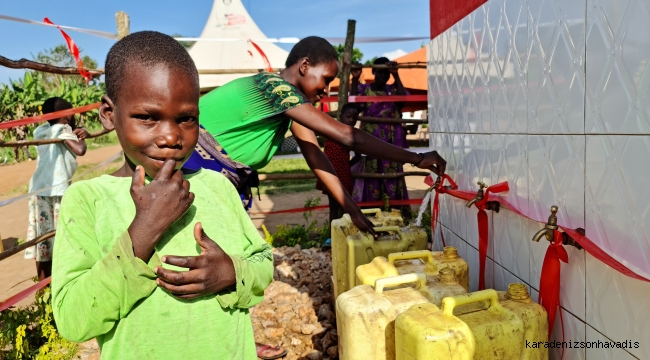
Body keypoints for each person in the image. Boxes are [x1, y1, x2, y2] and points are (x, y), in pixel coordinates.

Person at [51, 31, 274, 360]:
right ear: (109, 114)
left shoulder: (218, 187)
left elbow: (262, 262)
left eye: (186, 119)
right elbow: (73, 319)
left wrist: (232, 273)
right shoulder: (87, 200)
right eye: (147, 117)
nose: (171, 136)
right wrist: (144, 229)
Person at [186, 36, 446, 235]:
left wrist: (353, 210)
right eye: (327, 79)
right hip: (190, 168)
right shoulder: (275, 89)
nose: (326, 89)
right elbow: (346, 135)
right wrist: (416, 157)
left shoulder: (287, 104)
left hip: (204, 174)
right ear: (305, 65)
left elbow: (316, 157)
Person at [25, 97, 88, 280]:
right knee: (61, 235)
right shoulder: (63, 130)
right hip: (57, 190)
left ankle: (43, 284)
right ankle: (59, 280)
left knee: (43, 240)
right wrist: (81, 136)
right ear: (67, 117)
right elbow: (80, 150)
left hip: (40, 191)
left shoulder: (42, 130)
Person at [349, 57, 412, 217]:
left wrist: (396, 74)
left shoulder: (392, 91)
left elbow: (403, 101)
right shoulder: (364, 90)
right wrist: (355, 78)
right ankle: (371, 219)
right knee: (372, 183)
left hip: (391, 148)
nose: (383, 75)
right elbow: (354, 105)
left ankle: (396, 219)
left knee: (393, 182)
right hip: (370, 147)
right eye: (380, 71)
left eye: (387, 73)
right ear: (374, 71)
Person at [315, 103, 359, 223]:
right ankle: (333, 236)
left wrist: (345, 165)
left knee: (346, 207)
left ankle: (343, 234)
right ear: (341, 116)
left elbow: (358, 156)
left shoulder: (353, 135)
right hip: (329, 173)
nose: (351, 120)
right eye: (348, 116)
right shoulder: (332, 129)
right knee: (333, 207)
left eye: (354, 118)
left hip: (343, 175)